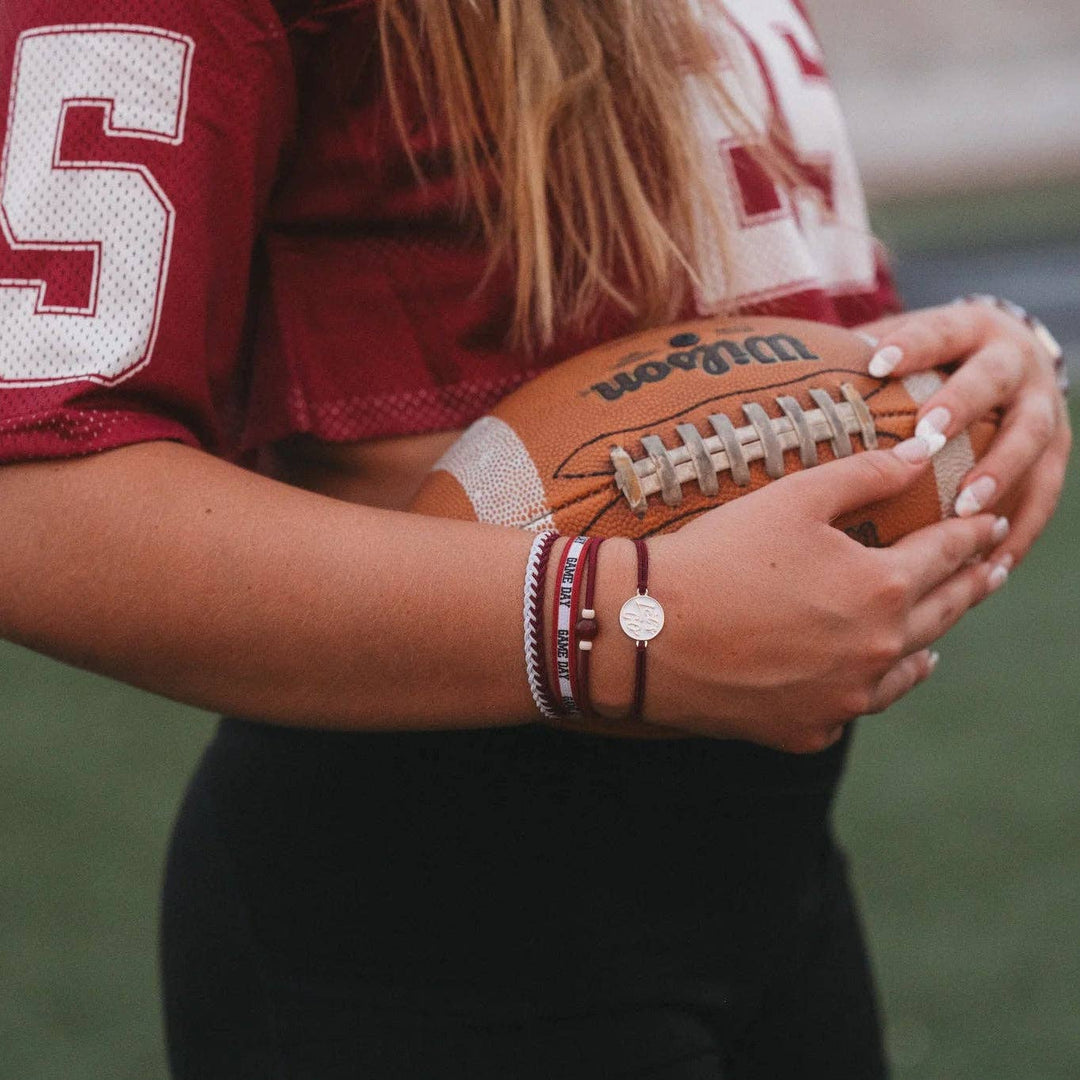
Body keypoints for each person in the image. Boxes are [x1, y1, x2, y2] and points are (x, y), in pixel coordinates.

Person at [0, 1, 1069, 1077]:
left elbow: (717, 310)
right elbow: (32, 499)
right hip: (423, 910)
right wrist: (621, 618)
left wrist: (968, 369)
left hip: (769, 866)